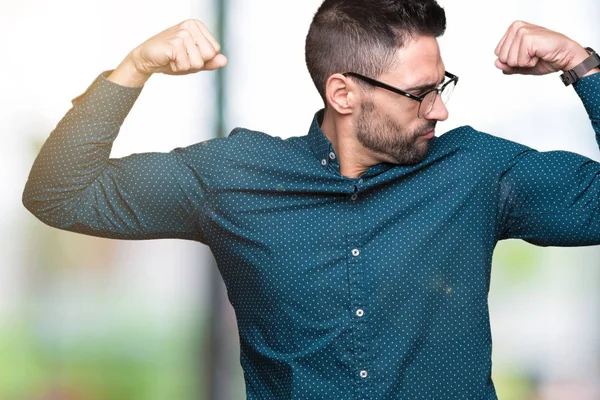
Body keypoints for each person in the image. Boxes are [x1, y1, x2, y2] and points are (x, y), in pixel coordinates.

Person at [22, 0, 600, 398]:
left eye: (442, 88)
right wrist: (134, 69)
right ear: (343, 93)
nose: (440, 111)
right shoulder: (236, 177)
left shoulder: (476, 171)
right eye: (421, 94)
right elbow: (60, 195)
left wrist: (582, 65)